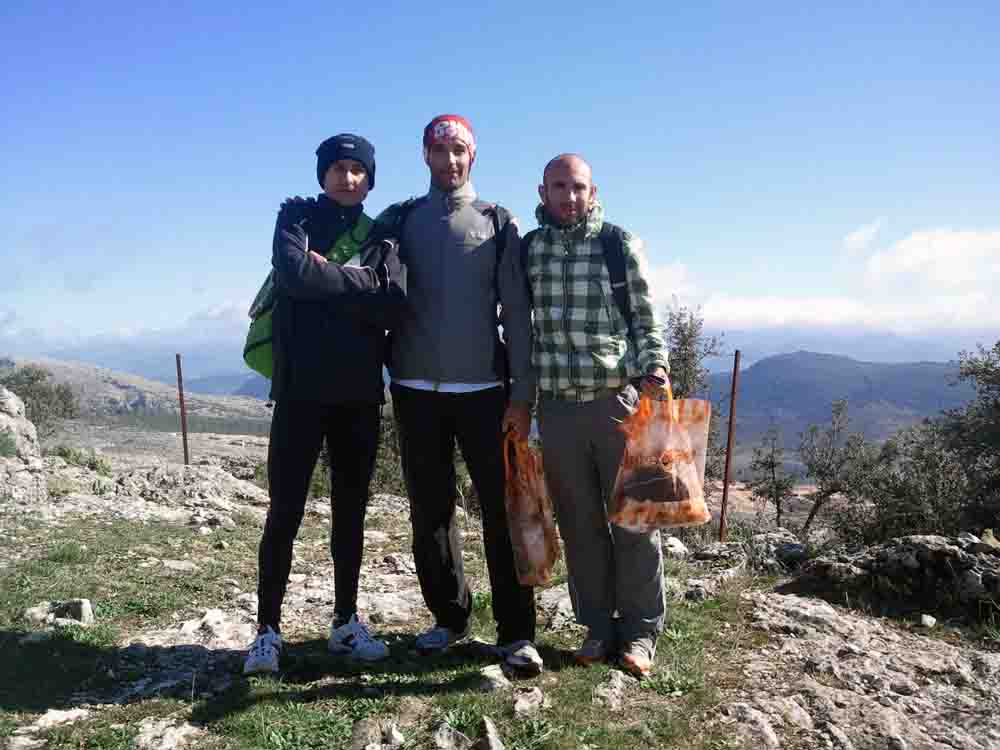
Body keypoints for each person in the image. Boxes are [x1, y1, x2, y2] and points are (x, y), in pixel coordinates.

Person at [383, 114, 542, 674]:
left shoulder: (498, 221)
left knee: (502, 511)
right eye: (439, 150)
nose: (449, 161)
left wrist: (522, 394)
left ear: (472, 155)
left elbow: (518, 318)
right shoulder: (402, 219)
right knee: (430, 510)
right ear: (424, 155)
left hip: (485, 392)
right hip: (414, 387)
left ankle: (517, 631)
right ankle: (448, 619)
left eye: (459, 150)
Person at [244, 134, 407, 674]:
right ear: (322, 174)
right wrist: (358, 281)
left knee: (351, 513)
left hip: (359, 394)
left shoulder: (380, 232)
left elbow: (392, 298)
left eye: (358, 169)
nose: (347, 177)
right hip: (298, 392)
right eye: (337, 168)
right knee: (284, 511)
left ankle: (345, 621)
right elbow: (294, 273)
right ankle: (267, 630)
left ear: (369, 178)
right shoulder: (295, 217)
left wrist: (328, 279)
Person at [523, 153, 670, 677]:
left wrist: (655, 366)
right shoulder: (530, 250)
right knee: (580, 525)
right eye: (558, 186)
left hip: (616, 402)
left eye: (578, 187)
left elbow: (647, 316)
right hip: (557, 409)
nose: (568, 196)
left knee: (635, 521)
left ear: (593, 190)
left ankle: (641, 631)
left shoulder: (617, 243)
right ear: (542, 192)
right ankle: (597, 626)